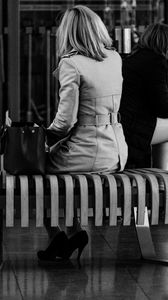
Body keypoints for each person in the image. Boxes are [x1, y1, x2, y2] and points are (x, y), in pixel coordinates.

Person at [37, 5, 128, 262]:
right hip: (115, 153)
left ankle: (59, 234)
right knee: (63, 176)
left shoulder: (71, 64)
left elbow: (65, 122)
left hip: (88, 152)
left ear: (67, 33)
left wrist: (46, 138)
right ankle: (73, 233)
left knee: (39, 169)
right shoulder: (115, 58)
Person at [120, 23, 168, 168]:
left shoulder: (133, 58)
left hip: (125, 125)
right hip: (135, 130)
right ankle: (162, 180)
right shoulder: (156, 62)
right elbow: (163, 108)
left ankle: (161, 179)